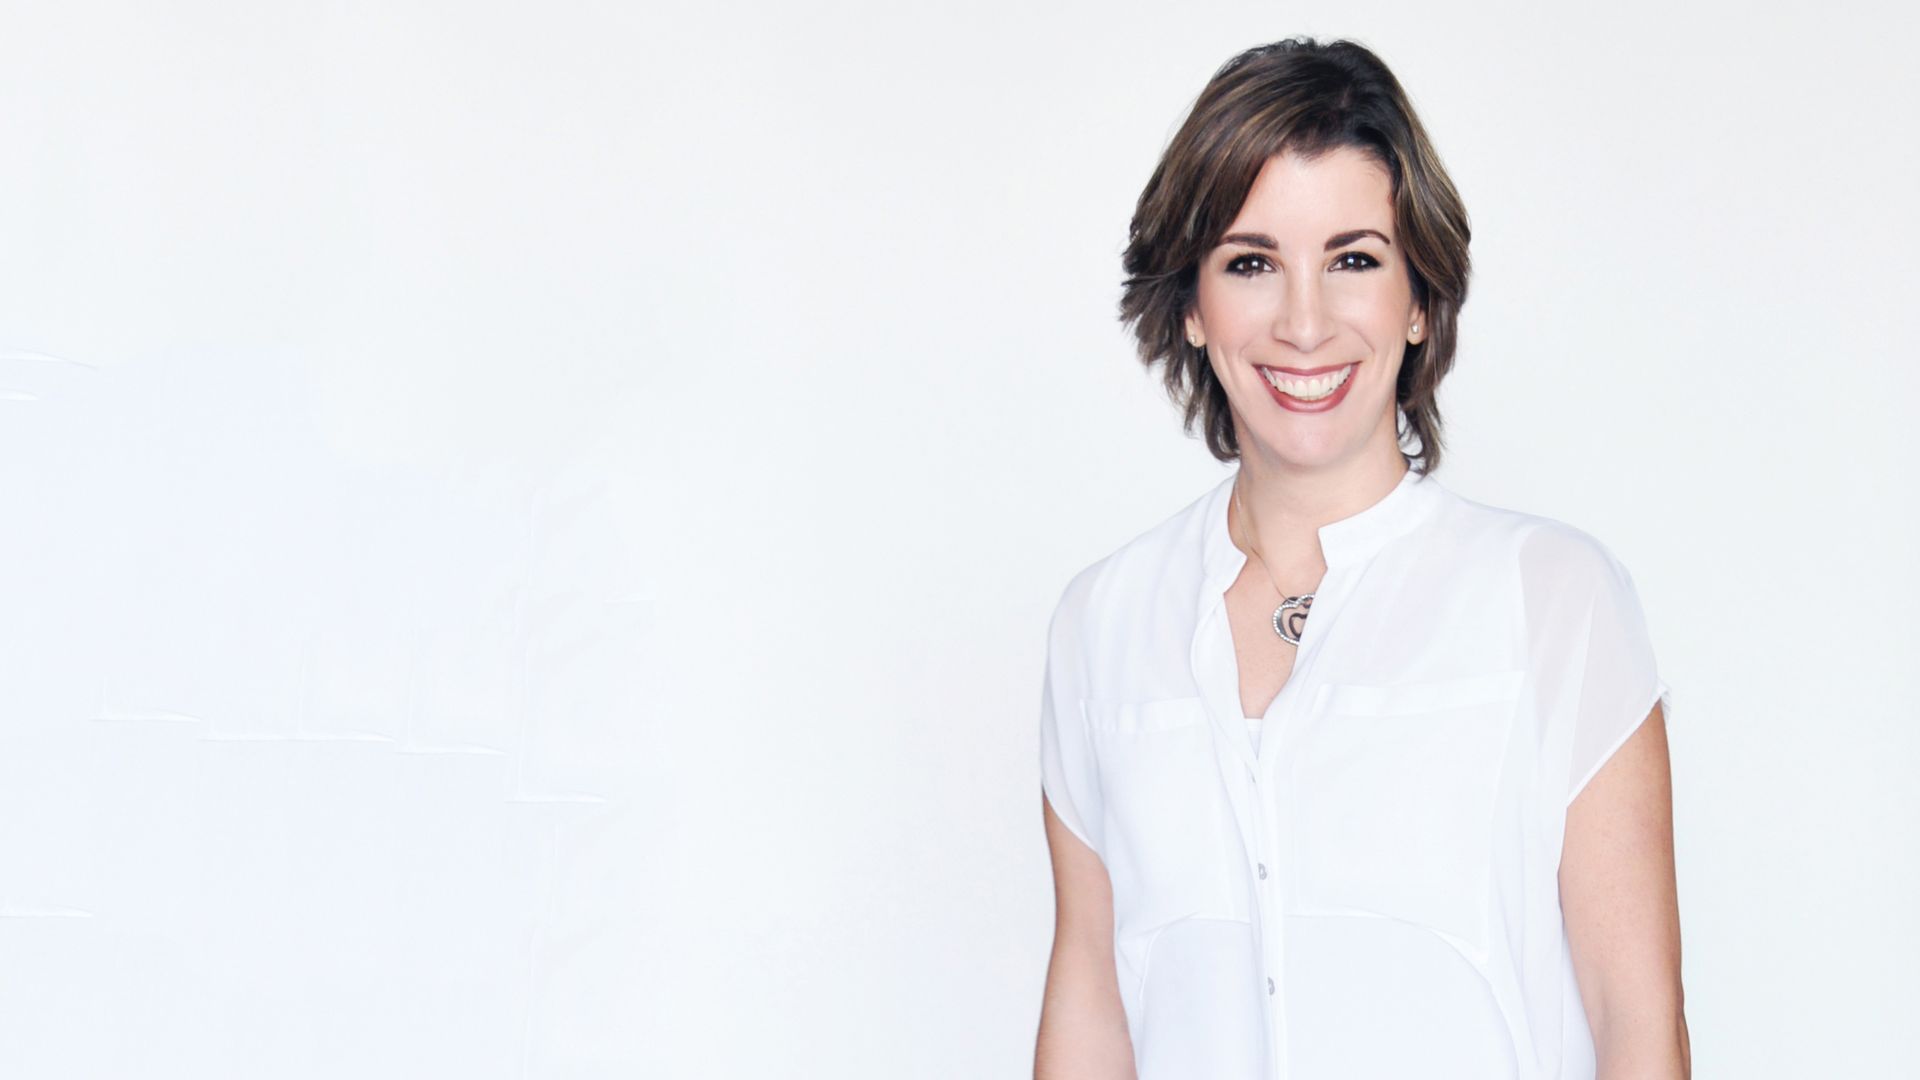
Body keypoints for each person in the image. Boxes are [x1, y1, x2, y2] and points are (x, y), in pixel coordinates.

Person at [1033, 38, 1689, 1080]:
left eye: (1354, 259)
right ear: (1193, 307)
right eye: (1252, 263)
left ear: (1419, 300)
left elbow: (1639, 1026)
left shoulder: (1556, 604)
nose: (1304, 322)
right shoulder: (1102, 624)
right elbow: (1092, 1010)